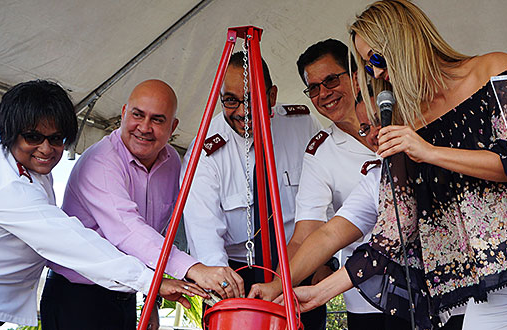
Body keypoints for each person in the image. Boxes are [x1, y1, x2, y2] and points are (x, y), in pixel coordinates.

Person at [283, 1, 507, 329]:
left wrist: (429, 151)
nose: (378, 73)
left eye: (377, 59)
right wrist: (319, 291)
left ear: (404, 41)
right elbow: (392, 232)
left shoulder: (493, 67)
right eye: (369, 67)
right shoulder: (405, 124)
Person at [0, 80, 206, 330]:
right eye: (33, 137)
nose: (46, 148)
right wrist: (156, 281)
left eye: (56, 139)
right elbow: (72, 242)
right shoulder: (6, 186)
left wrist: (149, 294)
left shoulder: (32, 169)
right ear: (10, 132)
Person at [40, 79, 243, 330]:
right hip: (77, 297)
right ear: (124, 113)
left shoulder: (172, 164)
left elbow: (156, 236)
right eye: (138, 115)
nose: (144, 128)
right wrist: (194, 268)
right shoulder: (101, 162)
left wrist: (152, 298)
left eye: (157, 120)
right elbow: (129, 231)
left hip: (128, 292)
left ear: (173, 127)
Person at [248, 39, 410, 330]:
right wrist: (277, 285)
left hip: (434, 278)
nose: (324, 93)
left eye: (331, 80)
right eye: (313, 88)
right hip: (366, 293)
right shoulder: (319, 152)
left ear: (357, 76)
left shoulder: (403, 114)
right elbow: (310, 235)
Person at [182, 51, 324, 328]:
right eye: (231, 100)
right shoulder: (204, 152)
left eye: (252, 98)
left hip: (301, 266)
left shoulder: (302, 124)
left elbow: (325, 204)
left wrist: (322, 262)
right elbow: (205, 235)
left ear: (271, 96)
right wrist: (226, 293)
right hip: (235, 274)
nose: (243, 112)